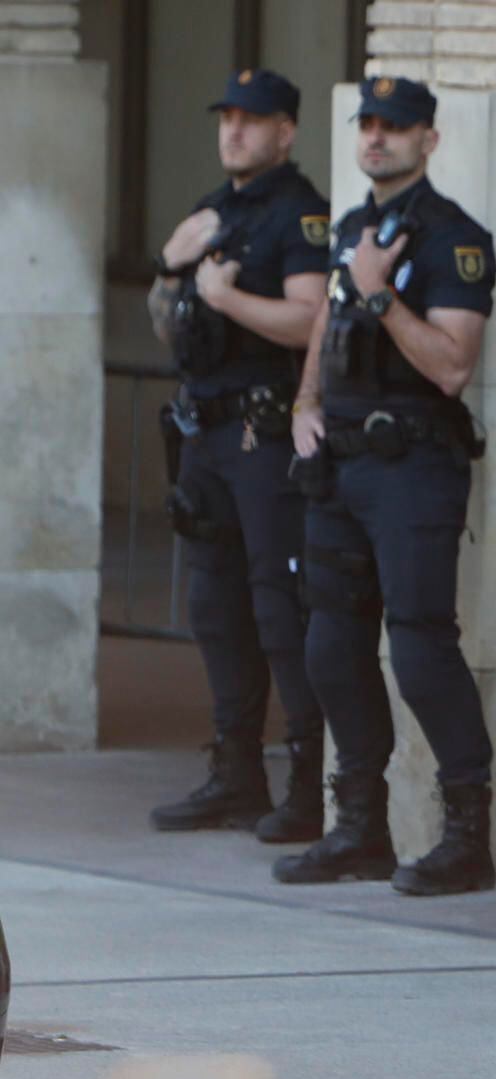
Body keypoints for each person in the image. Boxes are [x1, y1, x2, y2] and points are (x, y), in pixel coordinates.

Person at [277, 77, 496, 895]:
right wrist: (306, 399)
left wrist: (380, 293)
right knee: (330, 647)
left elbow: (452, 366)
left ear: (428, 140)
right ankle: (358, 829)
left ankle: (467, 837)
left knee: (419, 646)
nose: (376, 138)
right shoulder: (353, 227)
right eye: (367, 124)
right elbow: (328, 325)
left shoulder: (455, 239)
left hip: (413, 467)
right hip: (339, 465)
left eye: (394, 127)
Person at [147, 70, 329, 844]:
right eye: (227, 117)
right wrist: (167, 264)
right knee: (214, 610)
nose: (234, 131)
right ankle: (235, 773)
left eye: (251, 120)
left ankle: (308, 784)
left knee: (277, 609)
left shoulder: (298, 211)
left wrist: (226, 298)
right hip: (204, 434)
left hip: (263, 434)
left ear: (285, 131)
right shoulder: (209, 210)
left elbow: (311, 316)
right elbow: (169, 326)